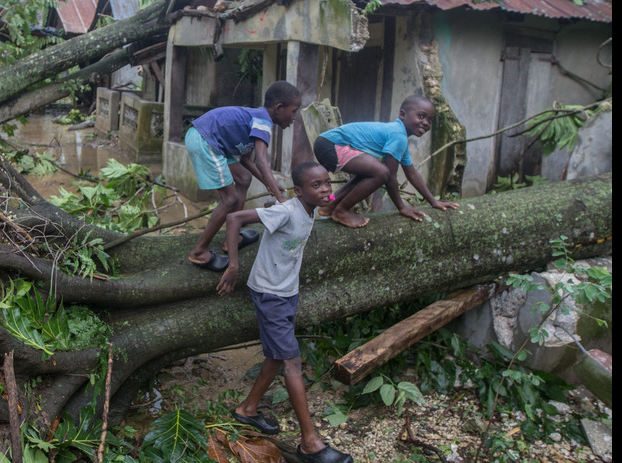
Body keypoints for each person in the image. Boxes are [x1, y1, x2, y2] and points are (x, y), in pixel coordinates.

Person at [218, 161, 353, 463]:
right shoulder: (287, 211)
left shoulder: (311, 205)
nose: (325, 189)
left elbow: (334, 198)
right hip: (270, 293)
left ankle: (247, 409)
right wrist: (233, 265)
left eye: (326, 183)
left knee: (276, 355)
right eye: (316, 185)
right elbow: (235, 218)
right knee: (291, 361)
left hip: (287, 291)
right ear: (299, 191)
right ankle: (310, 443)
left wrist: (346, 198)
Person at [186, 80, 302, 272]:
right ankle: (199, 251)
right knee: (229, 199)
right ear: (279, 108)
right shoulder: (263, 122)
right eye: (294, 111)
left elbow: (247, 161)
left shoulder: (257, 120)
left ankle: (231, 237)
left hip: (213, 141)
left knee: (243, 178)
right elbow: (261, 161)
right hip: (204, 140)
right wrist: (279, 197)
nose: (295, 117)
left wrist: (268, 183)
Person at [312, 95, 460, 228]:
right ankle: (341, 211)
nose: (426, 123)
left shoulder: (399, 137)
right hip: (330, 145)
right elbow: (389, 177)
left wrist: (433, 201)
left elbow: (412, 174)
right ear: (402, 114)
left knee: (370, 173)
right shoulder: (397, 134)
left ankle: (332, 204)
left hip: (326, 143)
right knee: (381, 172)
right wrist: (401, 207)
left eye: (430, 120)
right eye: (421, 116)